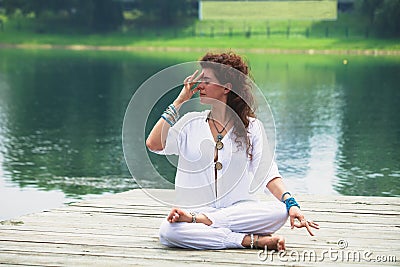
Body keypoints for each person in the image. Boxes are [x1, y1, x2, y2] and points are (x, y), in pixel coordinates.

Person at [146, 51, 319, 250]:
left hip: (238, 211)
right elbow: (153, 144)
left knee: (279, 212)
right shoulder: (190, 123)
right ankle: (246, 240)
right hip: (195, 211)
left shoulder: (252, 128)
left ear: (226, 87)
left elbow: (268, 174)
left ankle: (205, 222)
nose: (199, 85)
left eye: (206, 80)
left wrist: (291, 204)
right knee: (168, 231)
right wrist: (179, 102)